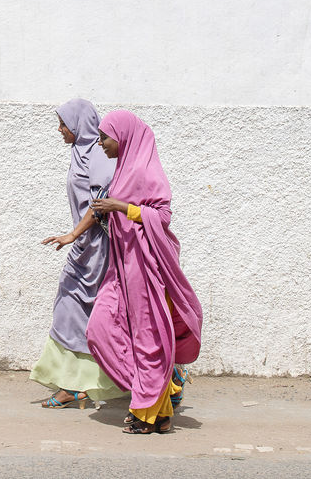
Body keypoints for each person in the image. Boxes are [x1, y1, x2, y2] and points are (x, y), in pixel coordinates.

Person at [87, 110, 202, 434]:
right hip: (122, 268)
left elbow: (161, 215)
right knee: (100, 328)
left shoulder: (145, 169)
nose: (101, 144)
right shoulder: (122, 171)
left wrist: (119, 207)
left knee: (147, 338)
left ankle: (150, 413)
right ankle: (156, 394)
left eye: (105, 137)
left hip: (145, 270)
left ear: (123, 137)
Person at [30, 99, 122, 409]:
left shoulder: (99, 154)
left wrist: (72, 234)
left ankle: (166, 375)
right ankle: (72, 384)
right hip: (85, 248)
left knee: (104, 314)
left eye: (63, 124)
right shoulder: (80, 154)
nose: (60, 129)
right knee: (69, 310)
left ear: (79, 124)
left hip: (100, 250)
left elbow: (100, 203)